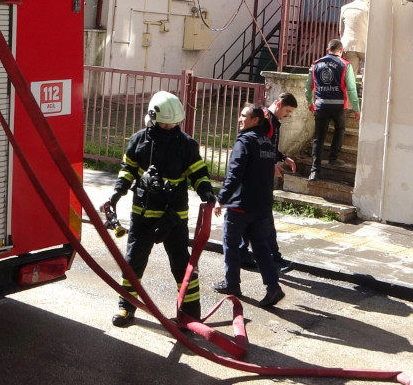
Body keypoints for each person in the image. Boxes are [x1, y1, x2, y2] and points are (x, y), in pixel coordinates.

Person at [102, 91, 215, 327]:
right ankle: (126, 307)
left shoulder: (186, 144)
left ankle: (190, 314)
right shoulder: (138, 141)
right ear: (152, 117)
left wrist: (207, 193)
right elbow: (127, 169)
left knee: (182, 266)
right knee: (133, 262)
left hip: (174, 217)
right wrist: (117, 193)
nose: (169, 127)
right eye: (164, 123)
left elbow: (198, 172)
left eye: (173, 123)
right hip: (143, 215)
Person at [212, 104, 286, 308]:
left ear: (255, 120)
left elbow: (234, 173)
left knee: (231, 244)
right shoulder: (266, 142)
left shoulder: (245, 142)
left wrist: (222, 199)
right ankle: (273, 287)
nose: (240, 119)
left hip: (241, 205)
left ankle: (232, 283)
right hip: (262, 206)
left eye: (244, 116)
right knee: (261, 246)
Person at [236, 93, 297, 273]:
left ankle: (244, 254)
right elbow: (260, 147)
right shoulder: (265, 120)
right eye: (287, 111)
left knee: (253, 218)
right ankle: (272, 259)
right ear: (278, 104)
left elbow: (270, 147)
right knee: (263, 219)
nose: (288, 115)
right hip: (258, 178)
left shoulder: (272, 122)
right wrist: (270, 164)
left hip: (259, 178)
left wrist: (283, 158)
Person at [306, 39, 361, 181]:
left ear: (327, 50)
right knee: (340, 129)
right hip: (338, 106)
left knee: (319, 138)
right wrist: (356, 108)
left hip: (321, 105)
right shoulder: (345, 65)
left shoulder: (315, 64)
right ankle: (333, 158)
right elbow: (351, 89)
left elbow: (308, 86)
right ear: (341, 51)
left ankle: (314, 171)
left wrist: (309, 101)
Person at [339, 0, 371, 76]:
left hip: (348, 45)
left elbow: (341, 29)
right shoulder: (369, 9)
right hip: (365, 45)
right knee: (370, 74)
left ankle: (350, 90)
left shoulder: (345, 8)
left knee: (350, 77)